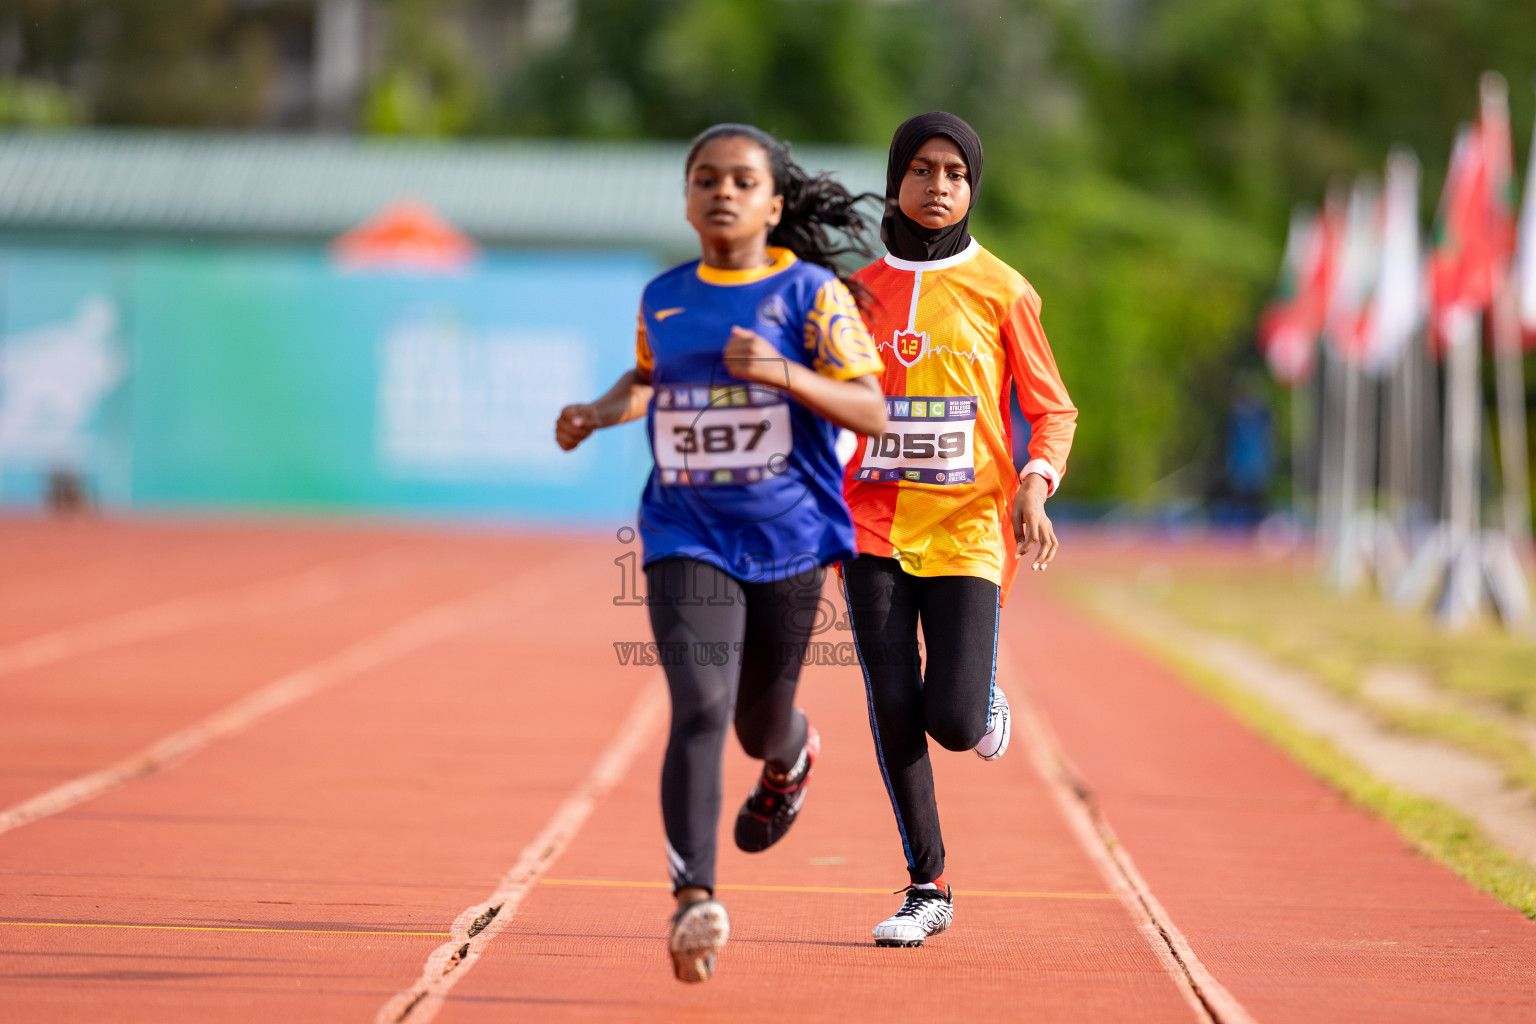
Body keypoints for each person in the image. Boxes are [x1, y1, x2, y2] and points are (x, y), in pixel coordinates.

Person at [555, 123, 886, 983]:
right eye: (705, 178)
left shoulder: (811, 295)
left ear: (774, 204)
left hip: (791, 538)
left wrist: (782, 375)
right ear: (688, 197)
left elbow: (871, 410)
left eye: (742, 180)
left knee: (756, 724)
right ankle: (693, 899)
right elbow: (646, 380)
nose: (723, 192)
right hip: (684, 529)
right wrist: (596, 412)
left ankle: (793, 753)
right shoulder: (664, 295)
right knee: (699, 704)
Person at [840, 111, 1077, 947]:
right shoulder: (853, 294)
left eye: (956, 173)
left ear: (972, 188)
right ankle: (926, 885)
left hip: (972, 528)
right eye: (923, 169)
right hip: (868, 528)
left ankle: (978, 695)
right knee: (893, 703)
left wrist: (1037, 488)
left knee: (952, 722)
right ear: (897, 178)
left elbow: (1052, 411)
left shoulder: (1004, 290)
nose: (938, 186)